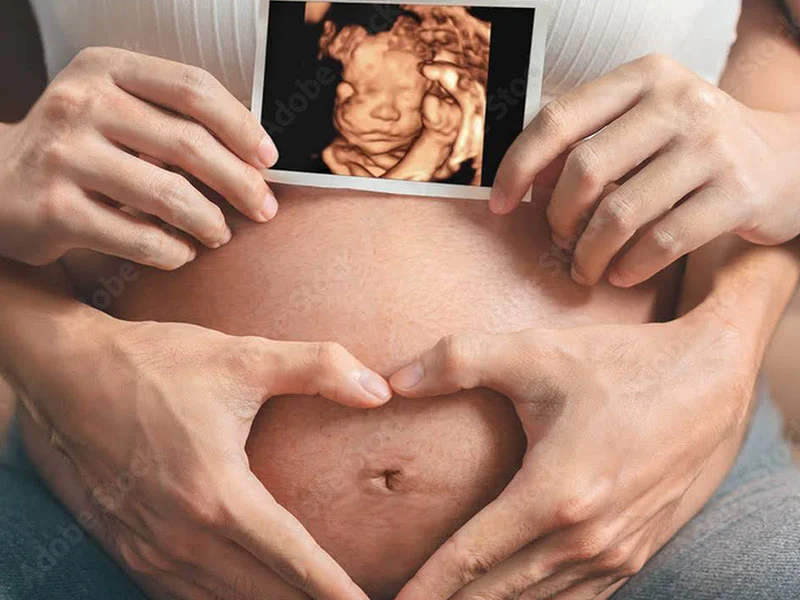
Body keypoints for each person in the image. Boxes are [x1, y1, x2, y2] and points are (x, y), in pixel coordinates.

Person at [0, 1, 799, 600]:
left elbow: (776, 72)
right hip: (105, 506)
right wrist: (47, 342)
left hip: (665, 516)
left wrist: (728, 346)